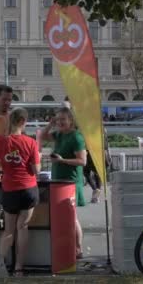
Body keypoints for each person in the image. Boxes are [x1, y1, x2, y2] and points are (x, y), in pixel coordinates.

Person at [0, 108, 41, 278]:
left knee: (9, 229)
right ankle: (19, 268)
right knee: (23, 227)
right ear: (23, 122)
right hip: (28, 190)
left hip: (10, 190)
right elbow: (36, 170)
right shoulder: (30, 142)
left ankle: (1, 263)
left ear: (10, 121)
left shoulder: (0, 141)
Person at [41, 107, 86, 259]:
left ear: (71, 120)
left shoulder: (76, 137)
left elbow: (82, 161)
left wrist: (62, 160)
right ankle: (72, 248)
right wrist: (50, 124)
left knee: (72, 217)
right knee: (67, 217)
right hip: (58, 180)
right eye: (57, 119)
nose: (59, 122)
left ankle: (78, 249)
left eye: (63, 119)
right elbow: (43, 136)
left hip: (71, 181)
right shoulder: (59, 134)